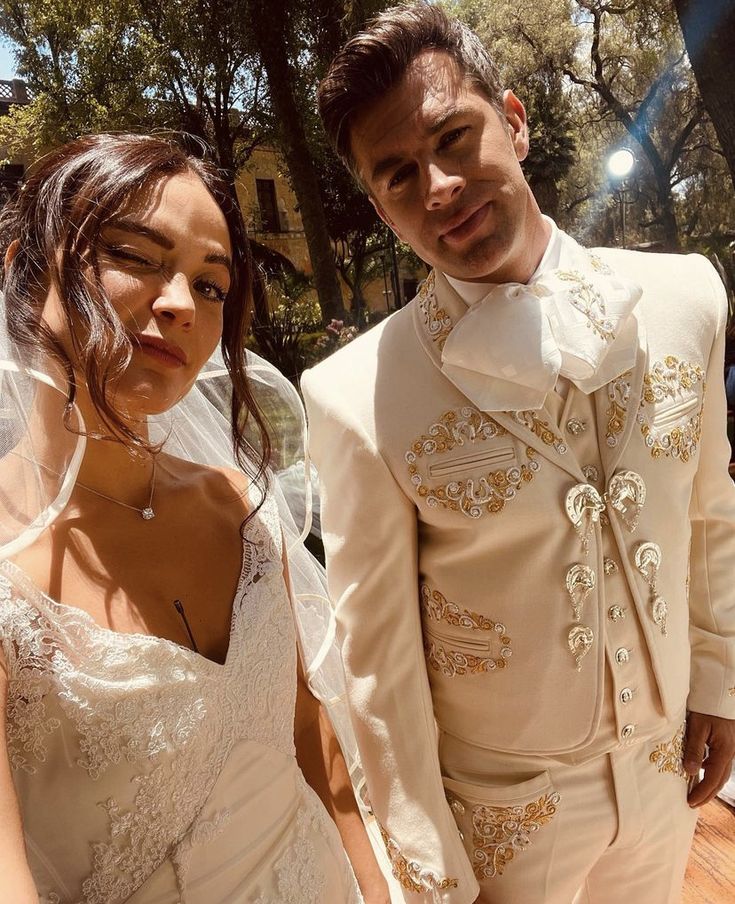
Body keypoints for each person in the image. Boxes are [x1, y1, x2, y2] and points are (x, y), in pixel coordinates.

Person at [301, 4, 735, 903]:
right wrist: (428, 868)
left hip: (665, 775)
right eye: (397, 176)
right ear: (380, 206)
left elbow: (706, 513)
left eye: (453, 139)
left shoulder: (686, 295)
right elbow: (378, 668)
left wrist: (722, 680)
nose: (440, 187)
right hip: (499, 820)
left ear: (515, 119)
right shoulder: (350, 397)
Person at [0, 133, 389, 903]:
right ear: (24, 268)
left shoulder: (239, 508)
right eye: (135, 255)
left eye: (211, 286)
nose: (179, 303)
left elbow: (314, 743)